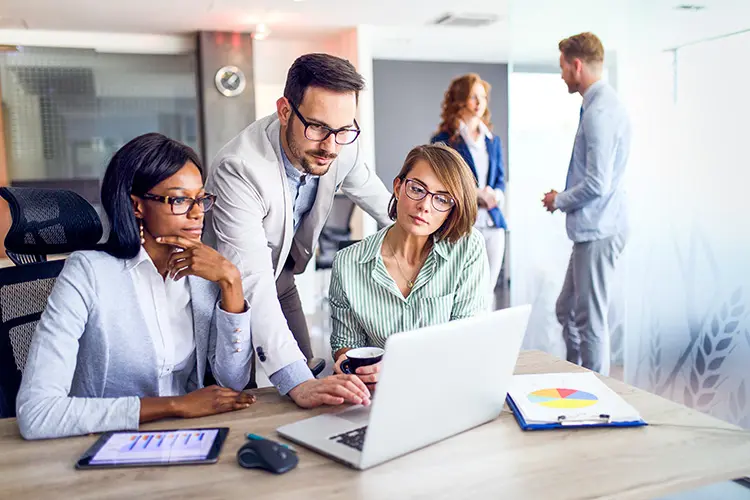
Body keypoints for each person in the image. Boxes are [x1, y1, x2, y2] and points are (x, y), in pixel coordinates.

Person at [16, 133, 258, 440]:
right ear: (136, 205)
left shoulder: (201, 275)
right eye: (180, 200)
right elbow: (37, 414)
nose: (197, 213)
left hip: (192, 437)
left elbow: (233, 382)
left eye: (200, 199)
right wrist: (176, 406)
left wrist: (230, 283)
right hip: (104, 444)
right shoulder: (88, 273)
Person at [204, 53, 391, 403]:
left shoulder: (341, 146)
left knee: (307, 380)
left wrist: (441, 231)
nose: (330, 146)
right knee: (239, 394)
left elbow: (385, 206)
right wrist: (297, 381)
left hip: (283, 276)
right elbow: (251, 281)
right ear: (285, 110)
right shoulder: (240, 168)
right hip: (226, 289)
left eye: (343, 130)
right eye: (318, 127)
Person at [329, 143, 490, 388]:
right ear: (398, 187)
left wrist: (397, 368)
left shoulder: (467, 248)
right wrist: (348, 365)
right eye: (417, 189)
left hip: (447, 389)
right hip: (377, 398)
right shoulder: (348, 263)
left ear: (452, 210)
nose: (425, 205)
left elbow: (466, 342)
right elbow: (345, 344)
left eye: (442, 199)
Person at [542, 32, 631, 376]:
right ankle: (578, 377)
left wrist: (558, 200)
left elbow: (598, 182)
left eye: (563, 66)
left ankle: (599, 393)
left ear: (576, 65)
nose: (561, 74)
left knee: (590, 320)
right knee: (566, 309)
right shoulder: (597, 105)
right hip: (593, 228)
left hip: (600, 229)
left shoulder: (600, 112)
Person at [431, 73, 507, 307]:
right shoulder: (444, 140)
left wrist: (496, 196)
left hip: (493, 224)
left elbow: (500, 180)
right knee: (462, 291)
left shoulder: (492, 141)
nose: (479, 102)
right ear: (460, 100)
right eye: (473, 96)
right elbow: (442, 182)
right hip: (463, 225)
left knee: (488, 291)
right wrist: (475, 194)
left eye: (482, 97)